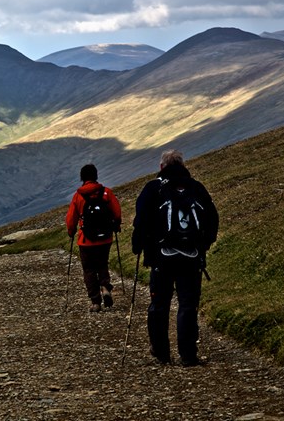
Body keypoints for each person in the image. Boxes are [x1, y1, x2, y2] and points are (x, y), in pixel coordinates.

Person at [131, 149, 219, 366]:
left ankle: (162, 354)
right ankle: (188, 355)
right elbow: (212, 219)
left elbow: (140, 220)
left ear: (161, 167)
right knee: (188, 304)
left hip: (161, 259)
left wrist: (138, 247)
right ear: (182, 164)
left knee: (159, 304)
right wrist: (203, 246)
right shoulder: (196, 188)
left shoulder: (153, 188)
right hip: (191, 258)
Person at [66, 164, 122, 313]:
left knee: (89, 270)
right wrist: (116, 225)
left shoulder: (79, 196)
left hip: (86, 241)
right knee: (102, 264)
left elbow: (71, 218)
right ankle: (105, 287)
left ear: (82, 178)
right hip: (105, 239)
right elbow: (116, 213)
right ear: (96, 176)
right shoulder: (106, 193)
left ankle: (95, 302)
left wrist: (71, 231)